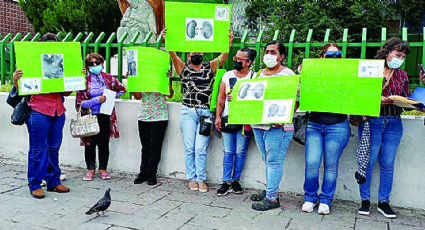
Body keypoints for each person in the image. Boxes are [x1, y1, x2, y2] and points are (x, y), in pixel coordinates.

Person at [161, 28, 233, 192]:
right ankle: (191, 178)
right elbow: (172, 53)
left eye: (199, 53)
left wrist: (228, 42)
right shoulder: (183, 68)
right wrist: (167, 39)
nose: (197, 55)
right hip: (188, 111)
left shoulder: (210, 67)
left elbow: (223, 56)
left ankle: (201, 179)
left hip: (205, 113)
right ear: (188, 56)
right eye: (194, 53)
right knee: (189, 147)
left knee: (201, 148)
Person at [12, 33, 71, 199]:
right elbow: (22, 89)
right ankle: (35, 183)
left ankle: (53, 181)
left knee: (54, 148)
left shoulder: (62, 63)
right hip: (38, 110)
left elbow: (67, 91)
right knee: (38, 149)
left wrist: (76, 76)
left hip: (58, 111)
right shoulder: (31, 62)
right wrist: (16, 79)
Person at [357, 38, 410, 219]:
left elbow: (407, 97)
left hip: (394, 121)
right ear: (387, 52)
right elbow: (359, 94)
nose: (400, 59)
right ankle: (365, 201)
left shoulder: (402, 75)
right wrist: (378, 100)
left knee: (387, 164)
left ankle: (383, 202)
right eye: (397, 54)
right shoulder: (371, 70)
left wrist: (405, 100)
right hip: (373, 121)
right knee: (368, 162)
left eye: (402, 56)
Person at [298, 43, 350, 215]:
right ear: (321, 57)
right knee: (312, 163)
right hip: (314, 123)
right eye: (329, 54)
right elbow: (299, 94)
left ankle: (326, 199)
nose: (333, 58)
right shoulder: (312, 74)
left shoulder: (346, 75)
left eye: (337, 55)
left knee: (331, 165)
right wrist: (302, 76)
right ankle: (310, 197)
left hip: (338, 125)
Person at [249, 40, 296, 211]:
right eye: (267, 51)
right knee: (267, 160)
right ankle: (270, 190)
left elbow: (296, 101)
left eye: (273, 52)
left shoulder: (288, 75)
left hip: (278, 127)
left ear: (281, 56)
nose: (269, 55)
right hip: (259, 125)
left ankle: (272, 198)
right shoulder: (258, 74)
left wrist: (284, 117)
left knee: (274, 161)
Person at [76, 53, 126, 181]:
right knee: (89, 143)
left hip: (105, 115)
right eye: (91, 64)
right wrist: (97, 100)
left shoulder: (109, 79)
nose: (94, 66)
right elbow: (80, 103)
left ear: (102, 63)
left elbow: (121, 90)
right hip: (89, 116)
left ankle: (103, 169)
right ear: (87, 67)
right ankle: (90, 169)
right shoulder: (84, 81)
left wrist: (110, 97)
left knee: (104, 143)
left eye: (97, 63)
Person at [214, 47, 256, 196]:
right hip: (228, 117)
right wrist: (218, 116)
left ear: (249, 62)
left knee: (240, 151)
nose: (236, 61)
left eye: (240, 59)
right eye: (235, 58)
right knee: (228, 151)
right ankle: (226, 181)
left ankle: (235, 180)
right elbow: (220, 98)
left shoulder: (254, 77)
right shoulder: (227, 75)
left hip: (245, 120)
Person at [133, 70, 174, 185]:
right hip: (144, 115)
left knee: (155, 145)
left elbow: (169, 95)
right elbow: (137, 96)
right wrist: (133, 80)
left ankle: (152, 173)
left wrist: (168, 80)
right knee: (145, 146)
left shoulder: (162, 76)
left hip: (160, 116)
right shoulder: (141, 77)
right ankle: (143, 172)